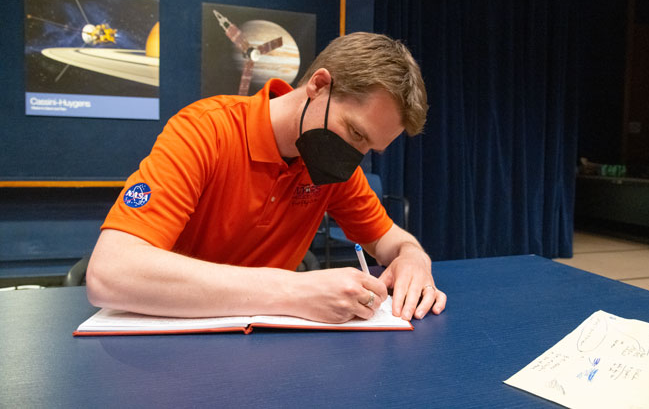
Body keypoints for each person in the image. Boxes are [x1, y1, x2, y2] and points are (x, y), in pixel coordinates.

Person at [87, 32, 447, 323]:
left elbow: (390, 241)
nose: (355, 157)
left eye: (370, 148)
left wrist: (413, 257)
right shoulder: (205, 132)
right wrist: (295, 290)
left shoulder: (333, 171)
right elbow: (110, 274)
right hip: (166, 352)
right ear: (319, 86)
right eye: (355, 133)